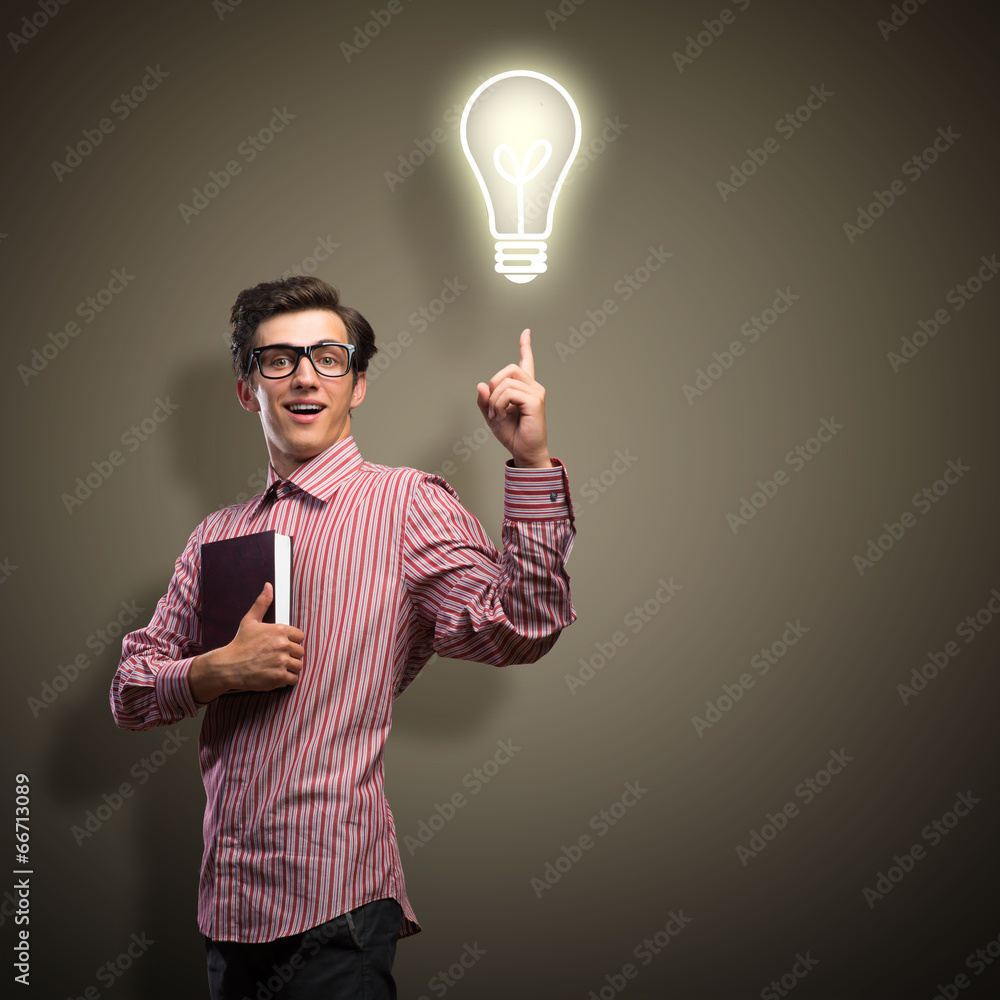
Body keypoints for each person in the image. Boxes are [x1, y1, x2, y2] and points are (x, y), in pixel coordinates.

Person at [109, 276, 576, 999]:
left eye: (329, 357)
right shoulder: (216, 536)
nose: (304, 376)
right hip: (227, 909)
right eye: (278, 360)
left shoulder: (407, 504)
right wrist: (212, 671)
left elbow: (523, 628)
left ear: (357, 384)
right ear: (246, 390)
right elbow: (131, 692)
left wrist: (531, 465)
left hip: (336, 906)